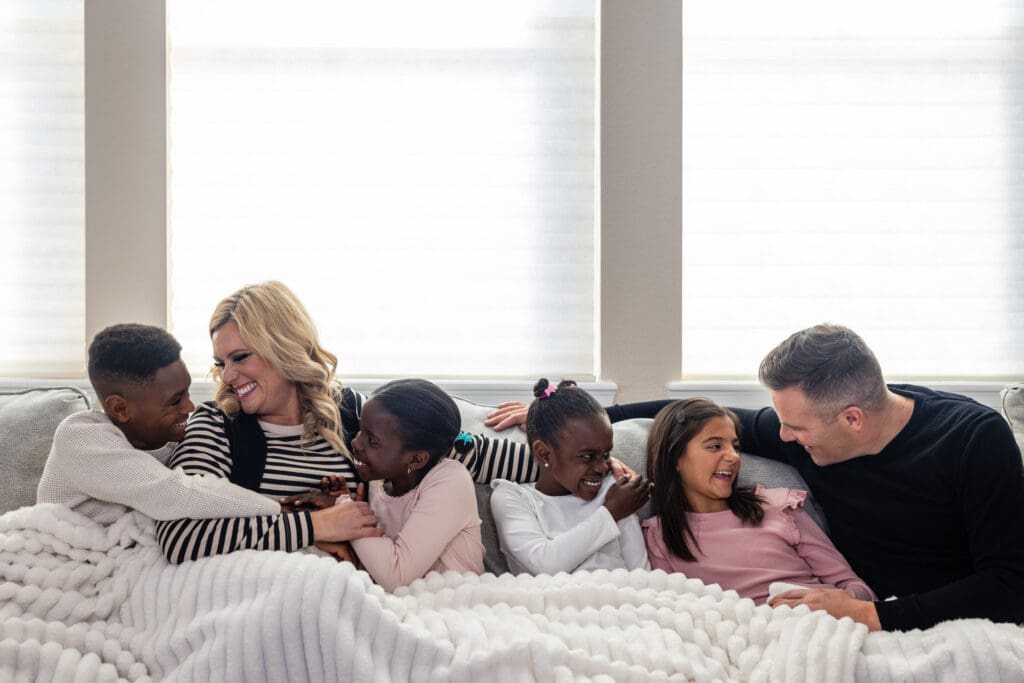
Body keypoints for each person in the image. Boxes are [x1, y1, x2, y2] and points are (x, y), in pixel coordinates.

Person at [488, 323, 1024, 631]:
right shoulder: (814, 426)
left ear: (852, 419)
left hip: (935, 619)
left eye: (796, 427)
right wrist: (572, 417)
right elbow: (697, 416)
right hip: (835, 614)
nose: (783, 438)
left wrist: (872, 615)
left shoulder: (974, 441)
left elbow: (1010, 586)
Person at [155, 281, 548, 564]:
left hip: (366, 597)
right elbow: (180, 537)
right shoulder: (216, 427)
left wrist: (565, 461)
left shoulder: (349, 413)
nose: (227, 377)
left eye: (241, 358)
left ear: (284, 346)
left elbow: (463, 450)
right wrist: (319, 525)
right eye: (222, 363)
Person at [36, 323, 283, 524]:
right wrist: (281, 511)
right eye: (175, 401)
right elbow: (175, 494)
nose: (190, 407)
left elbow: (214, 493)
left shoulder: (168, 441)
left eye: (187, 393)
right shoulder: (81, 436)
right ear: (120, 409)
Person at [641, 397, 874, 605]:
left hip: (823, 624)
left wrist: (843, 601)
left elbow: (858, 589)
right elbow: (670, 611)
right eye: (715, 446)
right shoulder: (659, 537)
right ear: (674, 458)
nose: (733, 456)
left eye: (735, 446)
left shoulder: (778, 507)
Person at [287, 379, 484, 591]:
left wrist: (346, 511)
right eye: (361, 431)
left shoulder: (450, 481)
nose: (355, 443)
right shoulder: (377, 484)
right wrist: (351, 510)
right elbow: (377, 568)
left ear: (416, 460)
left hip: (460, 604)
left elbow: (396, 575)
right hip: (407, 607)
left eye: (372, 441)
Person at [489, 379, 651, 575]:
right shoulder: (512, 497)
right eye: (587, 457)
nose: (601, 467)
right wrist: (611, 512)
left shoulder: (613, 490)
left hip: (621, 600)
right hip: (553, 603)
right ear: (544, 454)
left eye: (606, 455)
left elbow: (641, 574)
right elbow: (544, 564)